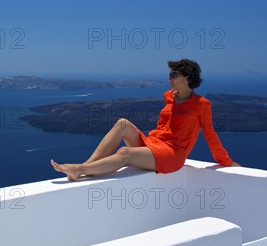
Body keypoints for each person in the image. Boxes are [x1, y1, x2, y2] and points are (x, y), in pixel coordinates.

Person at [51, 59, 240, 181]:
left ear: (187, 78)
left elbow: (210, 134)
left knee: (125, 152)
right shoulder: (169, 96)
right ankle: (90, 166)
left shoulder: (201, 104)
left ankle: (80, 169)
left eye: (174, 75)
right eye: (169, 74)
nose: (170, 78)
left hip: (171, 155)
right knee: (122, 123)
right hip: (154, 144)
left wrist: (226, 161)